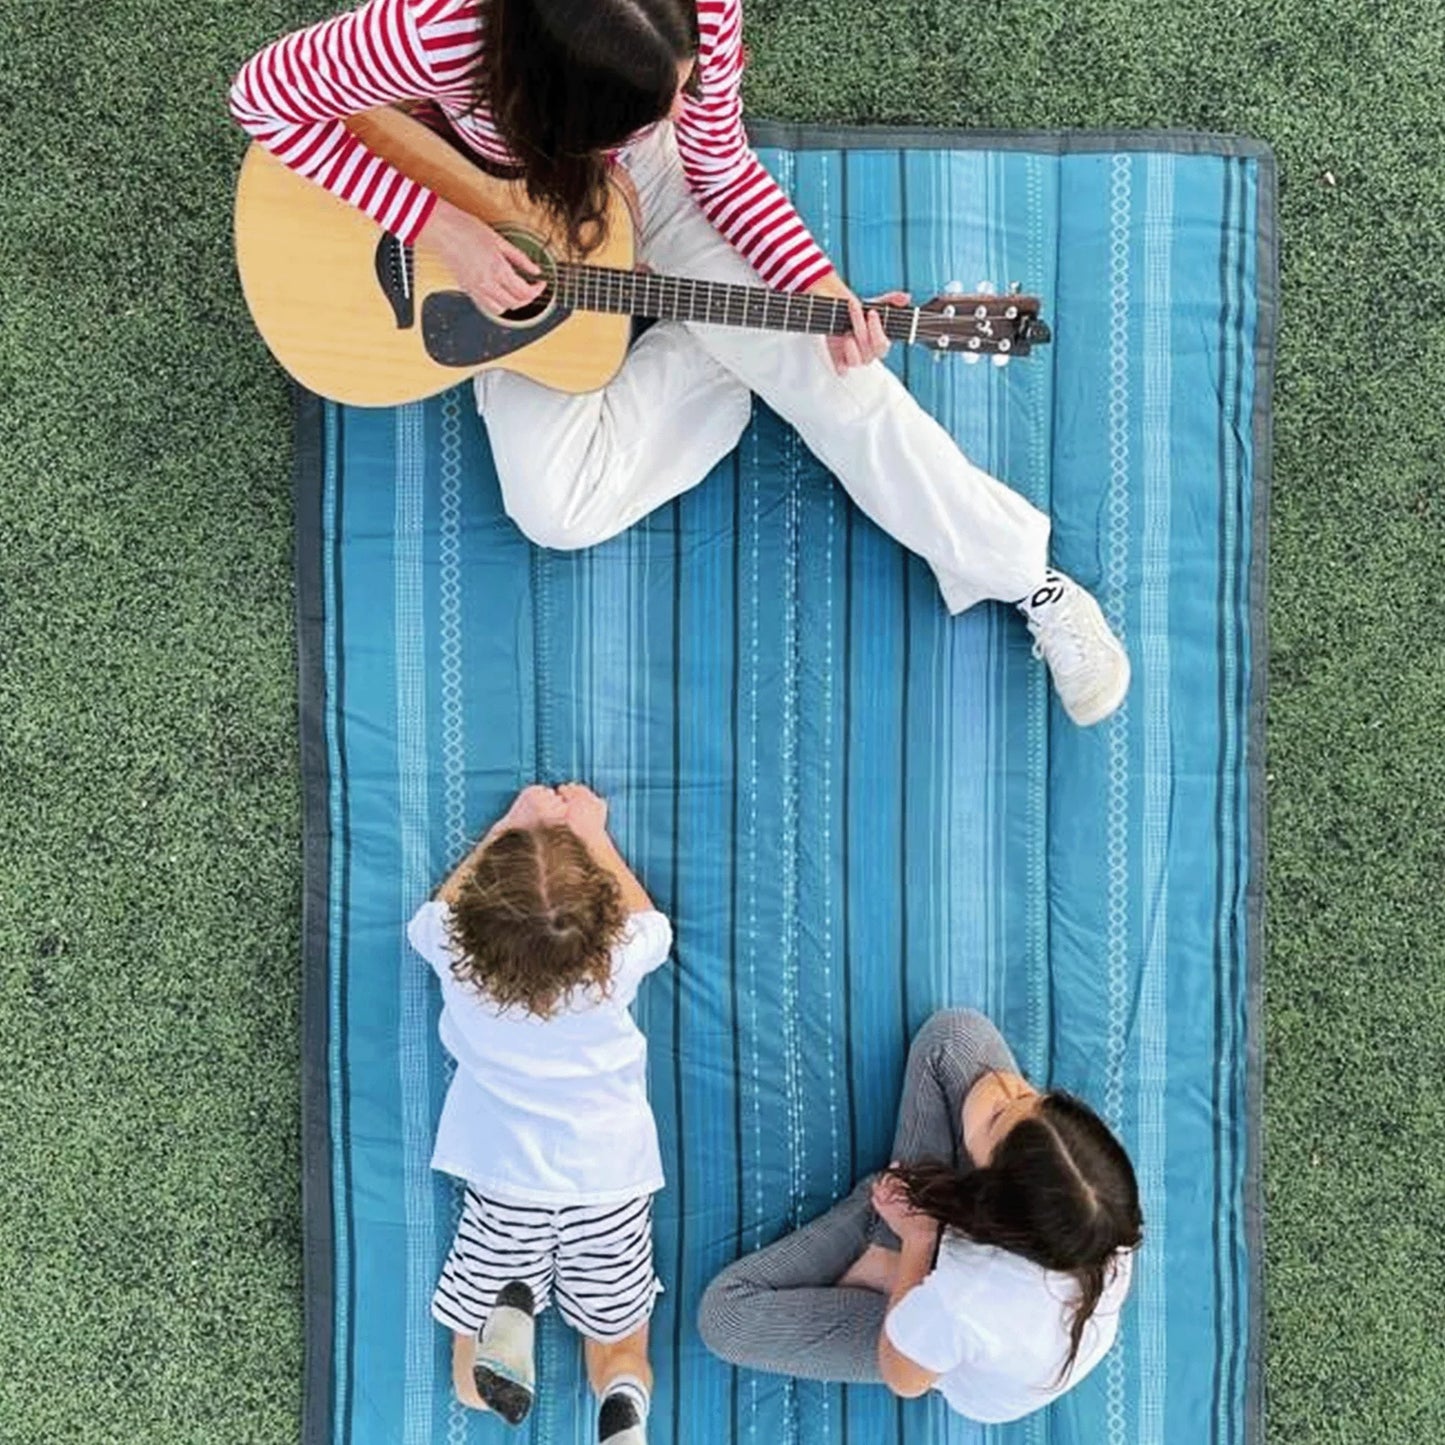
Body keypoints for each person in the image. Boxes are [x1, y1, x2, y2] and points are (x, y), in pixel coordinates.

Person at [231, 0, 1131, 726]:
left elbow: (717, 166)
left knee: (837, 381)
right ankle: (724, 353)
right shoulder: (435, 34)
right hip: (488, 210)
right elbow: (261, 99)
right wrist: (445, 229)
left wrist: (810, 290)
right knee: (555, 509)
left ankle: (1025, 574)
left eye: (682, 86)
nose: (682, 106)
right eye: (652, 106)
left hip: (642, 185)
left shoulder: (698, 13)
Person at [697, 1010, 1143, 1424]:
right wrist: (1004, 1118)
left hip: (931, 1340)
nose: (1005, 1087)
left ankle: (889, 1245)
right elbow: (975, 1064)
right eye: (1032, 1097)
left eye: (999, 1115)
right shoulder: (1098, 1206)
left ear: (988, 1195)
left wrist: (918, 1240)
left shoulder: (968, 1299)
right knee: (953, 1037)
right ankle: (893, 1224)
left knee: (725, 1319)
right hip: (982, 1242)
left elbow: (905, 1378)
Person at [406, 783, 670, 1444]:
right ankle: (621, 1402)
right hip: (608, 1183)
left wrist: (510, 822)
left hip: (508, 1185)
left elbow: (431, 916)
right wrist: (593, 833)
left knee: (472, 1384)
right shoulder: (612, 963)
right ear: (598, 926)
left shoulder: (459, 962)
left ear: (478, 926)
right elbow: (653, 928)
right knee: (617, 1344)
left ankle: (510, 1317)